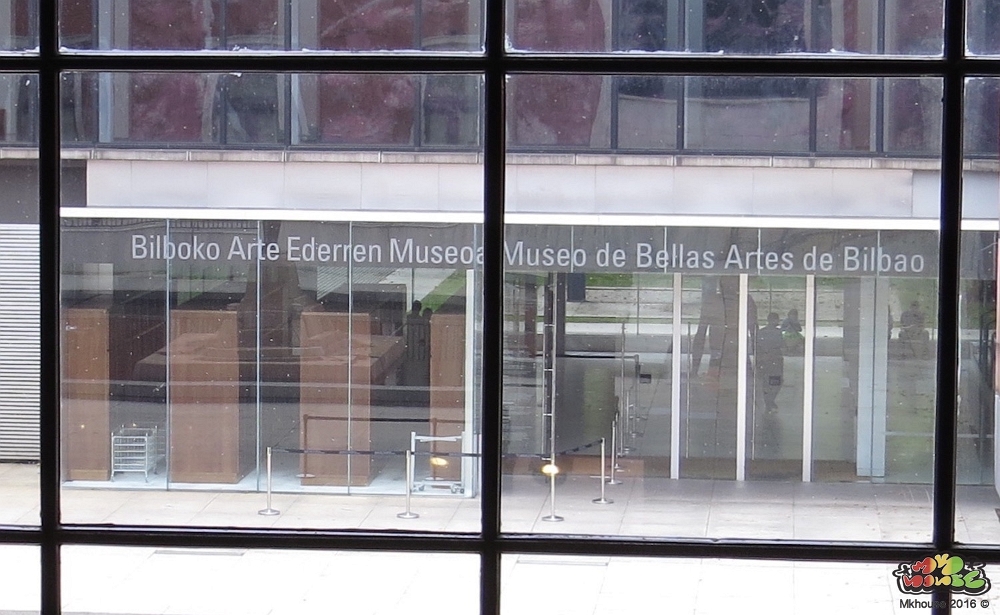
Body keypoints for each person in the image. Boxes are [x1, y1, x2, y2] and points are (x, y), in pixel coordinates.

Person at [755, 312, 784, 412]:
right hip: (774, 358)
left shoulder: (761, 332)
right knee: (776, 381)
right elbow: (781, 344)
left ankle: (768, 400)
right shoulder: (777, 332)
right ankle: (770, 400)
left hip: (766, 359)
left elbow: (758, 346)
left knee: (767, 382)